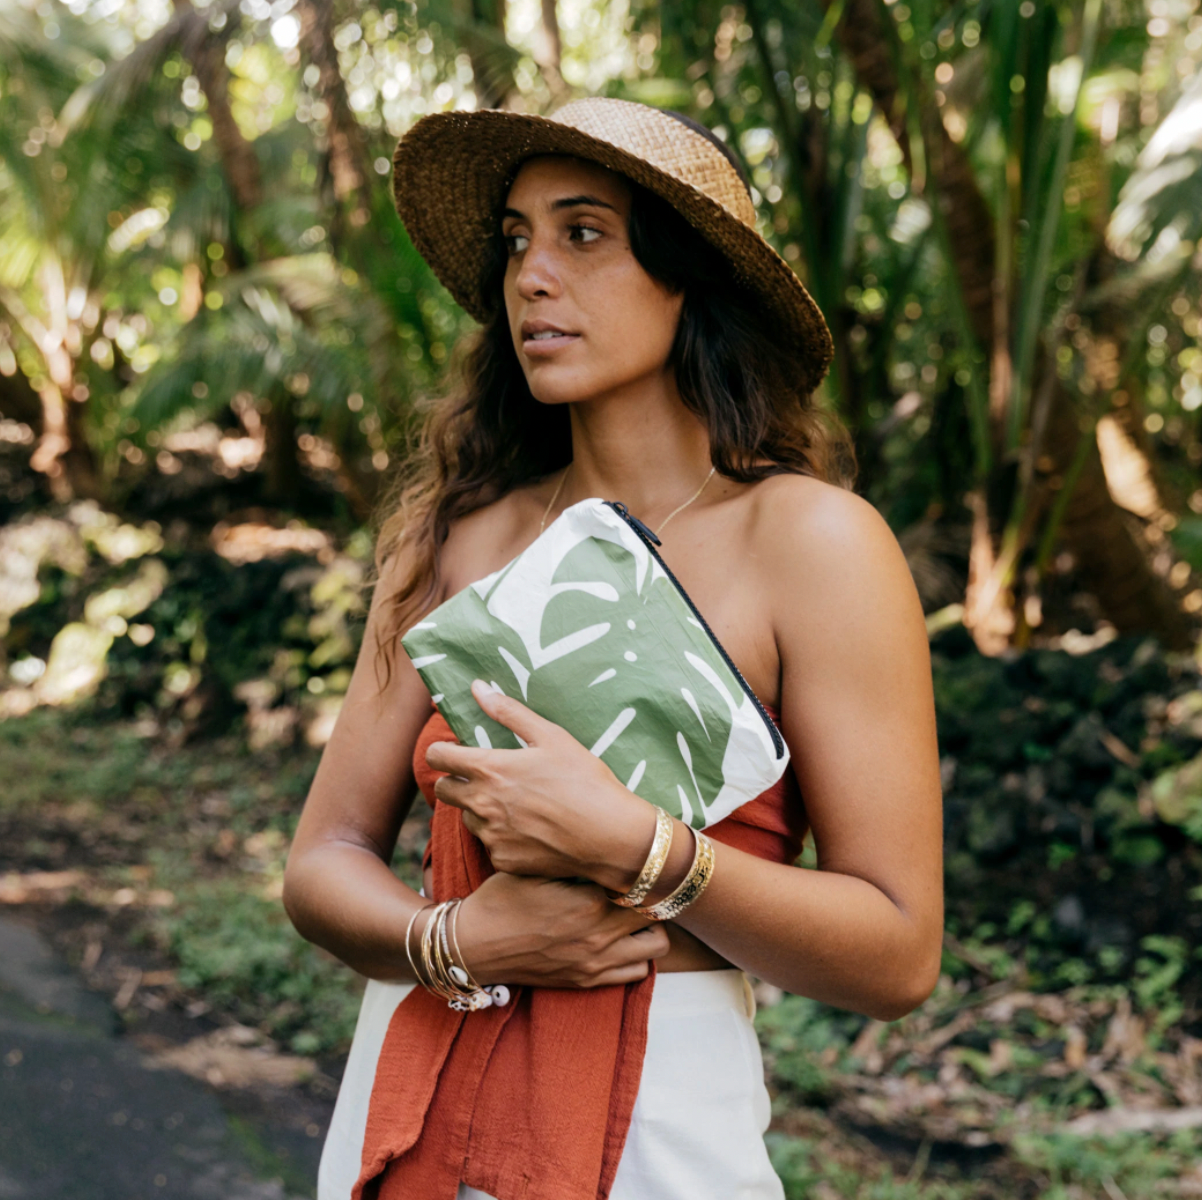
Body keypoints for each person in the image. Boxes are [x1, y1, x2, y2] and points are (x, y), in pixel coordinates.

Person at [283, 97, 944, 1200]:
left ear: (688, 277)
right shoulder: (464, 536)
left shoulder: (812, 544)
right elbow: (320, 865)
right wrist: (457, 942)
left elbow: (895, 951)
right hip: (416, 1079)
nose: (531, 276)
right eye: (515, 241)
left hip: (660, 1115)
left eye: (581, 233)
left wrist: (644, 850)